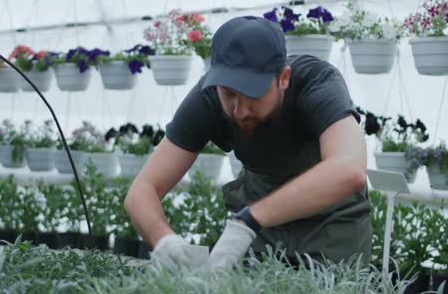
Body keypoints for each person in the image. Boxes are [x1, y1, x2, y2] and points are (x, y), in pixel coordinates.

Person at [124, 15, 371, 270]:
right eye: (229, 94)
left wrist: (249, 220)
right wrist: (164, 240)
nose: (239, 111)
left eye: (253, 94)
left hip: (331, 222)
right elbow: (142, 190)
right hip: (260, 226)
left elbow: (349, 168)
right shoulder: (208, 97)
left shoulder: (316, 82)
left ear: (283, 78)